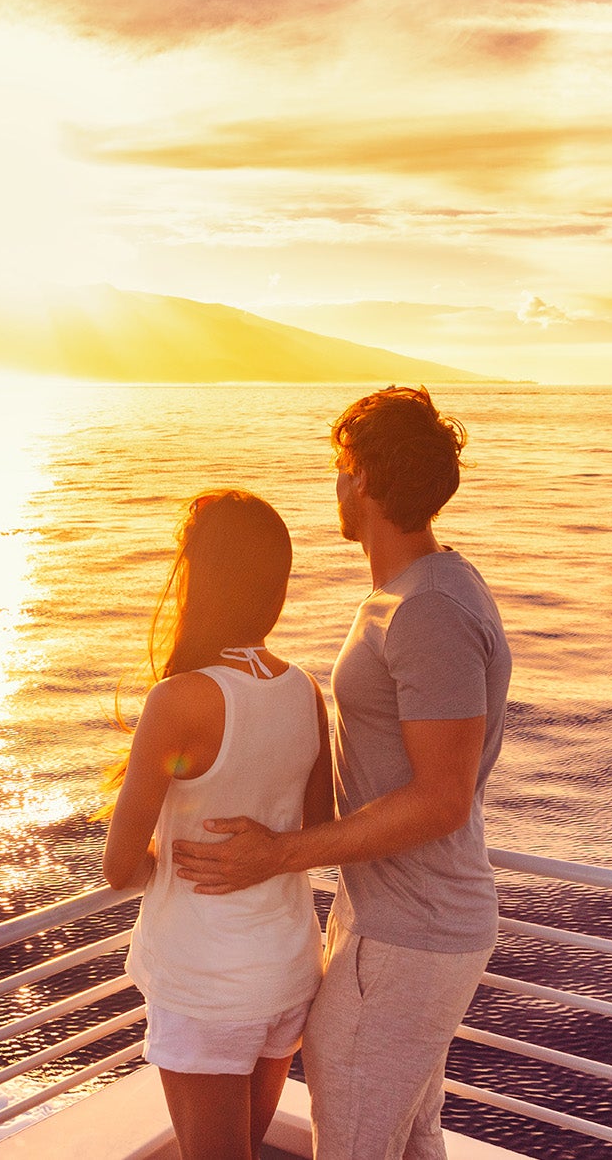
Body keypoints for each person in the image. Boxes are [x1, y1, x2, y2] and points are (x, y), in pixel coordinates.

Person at [172, 386, 511, 1160]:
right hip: (391, 918)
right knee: (412, 1137)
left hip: (411, 932)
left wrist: (279, 852)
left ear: (361, 478)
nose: (334, 486)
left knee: (354, 1142)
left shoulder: (427, 609)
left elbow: (442, 797)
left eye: (339, 467)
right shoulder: (414, 592)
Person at [99, 489, 333, 1160]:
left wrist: (167, 860)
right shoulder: (302, 689)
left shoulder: (178, 701)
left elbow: (119, 867)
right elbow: (314, 828)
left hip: (209, 982)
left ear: (198, 578)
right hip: (286, 967)